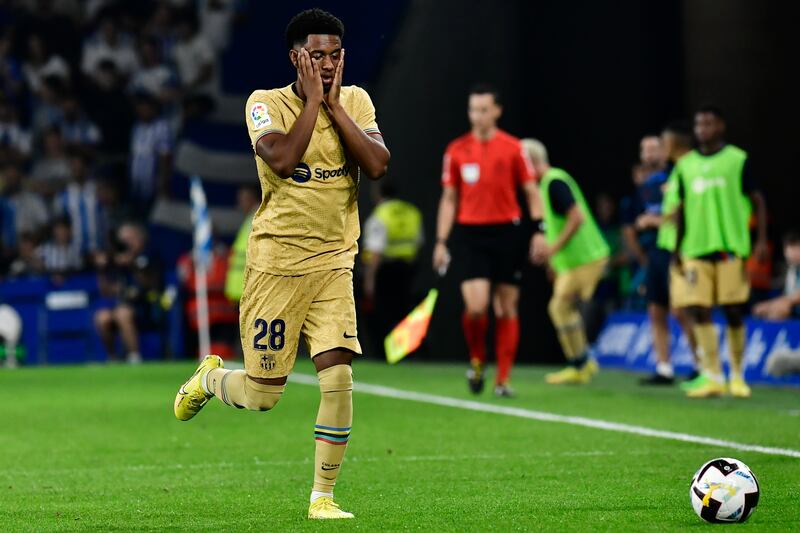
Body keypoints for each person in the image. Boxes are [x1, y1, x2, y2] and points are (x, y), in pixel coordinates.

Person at [172, 9, 389, 520]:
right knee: (263, 394)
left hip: (336, 260)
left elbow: (378, 165)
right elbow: (284, 161)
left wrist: (335, 106)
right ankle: (209, 380)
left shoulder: (356, 100)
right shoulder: (263, 105)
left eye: (336, 55)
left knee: (338, 376)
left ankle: (322, 497)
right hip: (276, 267)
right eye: (318, 55)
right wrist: (314, 102)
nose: (329, 63)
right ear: (296, 57)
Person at [433, 85, 538, 398]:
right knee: (477, 308)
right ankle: (478, 359)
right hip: (470, 234)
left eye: (482, 109)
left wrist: (541, 230)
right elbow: (449, 198)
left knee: (506, 307)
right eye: (472, 109)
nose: (476, 116)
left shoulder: (514, 148)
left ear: (497, 111)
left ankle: (502, 380)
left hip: (508, 232)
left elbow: (531, 191)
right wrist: (441, 241)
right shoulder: (456, 150)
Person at [674, 105, 768, 398]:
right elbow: (681, 208)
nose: (703, 129)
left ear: (721, 127)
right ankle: (713, 375)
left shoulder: (737, 160)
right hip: (695, 247)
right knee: (698, 309)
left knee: (732, 310)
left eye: (709, 123)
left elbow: (758, 201)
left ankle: (737, 376)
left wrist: (761, 240)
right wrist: (677, 247)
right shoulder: (685, 165)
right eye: (699, 124)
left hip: (729, 247)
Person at [525, 138, 610, 385]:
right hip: (573, 261)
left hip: (586, 257)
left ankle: (581, 363)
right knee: (561, 308)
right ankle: (581, 363)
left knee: (562, 307)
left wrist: (551, 250)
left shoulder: (554, 182)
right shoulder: (545, 185)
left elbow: (577, 217)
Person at [636, 121, 699, 385]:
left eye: (663, 144)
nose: (660, 149)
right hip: (661, 250)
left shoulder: (690, 170)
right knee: (656, 309)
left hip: (682, 250)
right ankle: (664, 367)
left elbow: (687, 213)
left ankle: (702, 365)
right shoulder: (666, 177)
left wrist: (655, 220)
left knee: (680, 310)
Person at [362, 180, 423, 354]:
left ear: (378, 194)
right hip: (408, 269)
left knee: (383, 313)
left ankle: (386, 353)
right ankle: (405, 352)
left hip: (385, 271)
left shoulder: (380, 215)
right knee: (403, 312)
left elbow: (376, 251)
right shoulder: (412, 212)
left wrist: (369, 279)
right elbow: (418, 242)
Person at [94, 222, 163, 364]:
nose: (126, 243)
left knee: (122, 313)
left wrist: (132, 263)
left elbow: (150, 285)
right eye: (123, 240)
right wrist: (101, 269)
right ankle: (112, 358)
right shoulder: (117, 260)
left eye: (130, 238)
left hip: (146, 307)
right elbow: (106, 290)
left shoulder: (148, 256)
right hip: (122, 305)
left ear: (139, 239)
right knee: (102, 317)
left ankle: (134, 357)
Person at [224, 184, 260, 303]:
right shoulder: (249, 219)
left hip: (249, 292)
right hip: (242, 292)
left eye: (242, 200)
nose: (239, 204)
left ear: (251, 199)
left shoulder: (257, 219)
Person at [753, 230, 800, 320]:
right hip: (794, 309)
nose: (792, 254)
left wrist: (776, 303)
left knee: (779, 310)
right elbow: (788, 294)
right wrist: (768, 305)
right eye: (788, 249)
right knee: (762, 310)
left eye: (796, 249)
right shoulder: (792, 270)